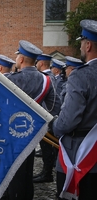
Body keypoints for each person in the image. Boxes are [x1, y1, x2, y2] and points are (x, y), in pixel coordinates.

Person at [2, 40, 61, 200]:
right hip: (32, 132)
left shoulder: (11, 79)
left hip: (10, 134)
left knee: (12, 172)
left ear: (20, 60)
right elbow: (54, 108)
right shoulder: (47, 80)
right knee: (27, 171)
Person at [49, 19, 97, 200]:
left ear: (88, 45)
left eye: (82, 43)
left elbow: (67, 121)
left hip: (80, 155)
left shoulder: (81, 76)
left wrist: (55, 126)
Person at [33, 53, 60, 183]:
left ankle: (47, 173)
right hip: (47, 116)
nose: (36, 64)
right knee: (45, 147)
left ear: (42, 63)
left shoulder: (46, 78)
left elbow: (54, 101)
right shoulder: (49, 77)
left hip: (47, 117)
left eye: (37, 62)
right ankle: (45, 171)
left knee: (47, 148)